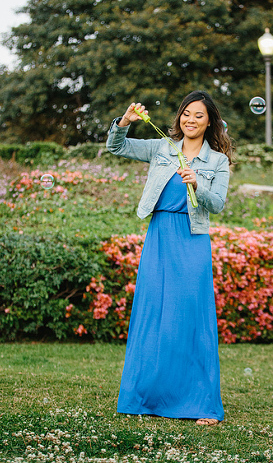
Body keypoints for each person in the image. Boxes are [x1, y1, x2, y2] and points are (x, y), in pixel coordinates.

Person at [106, 91, 232, 426]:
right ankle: (144, 398)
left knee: (191, 318)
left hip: (192, 241)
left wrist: (197, 185)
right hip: (160, 235)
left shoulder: (217, 161)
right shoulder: (161, 147)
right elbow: (116, 147)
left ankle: (202, 405)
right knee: (153, 313)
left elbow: (217, 203)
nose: (191, 120)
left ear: (210, 122)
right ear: (179, 117)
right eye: (186, 114)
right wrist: (125, 122)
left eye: (199, 116)